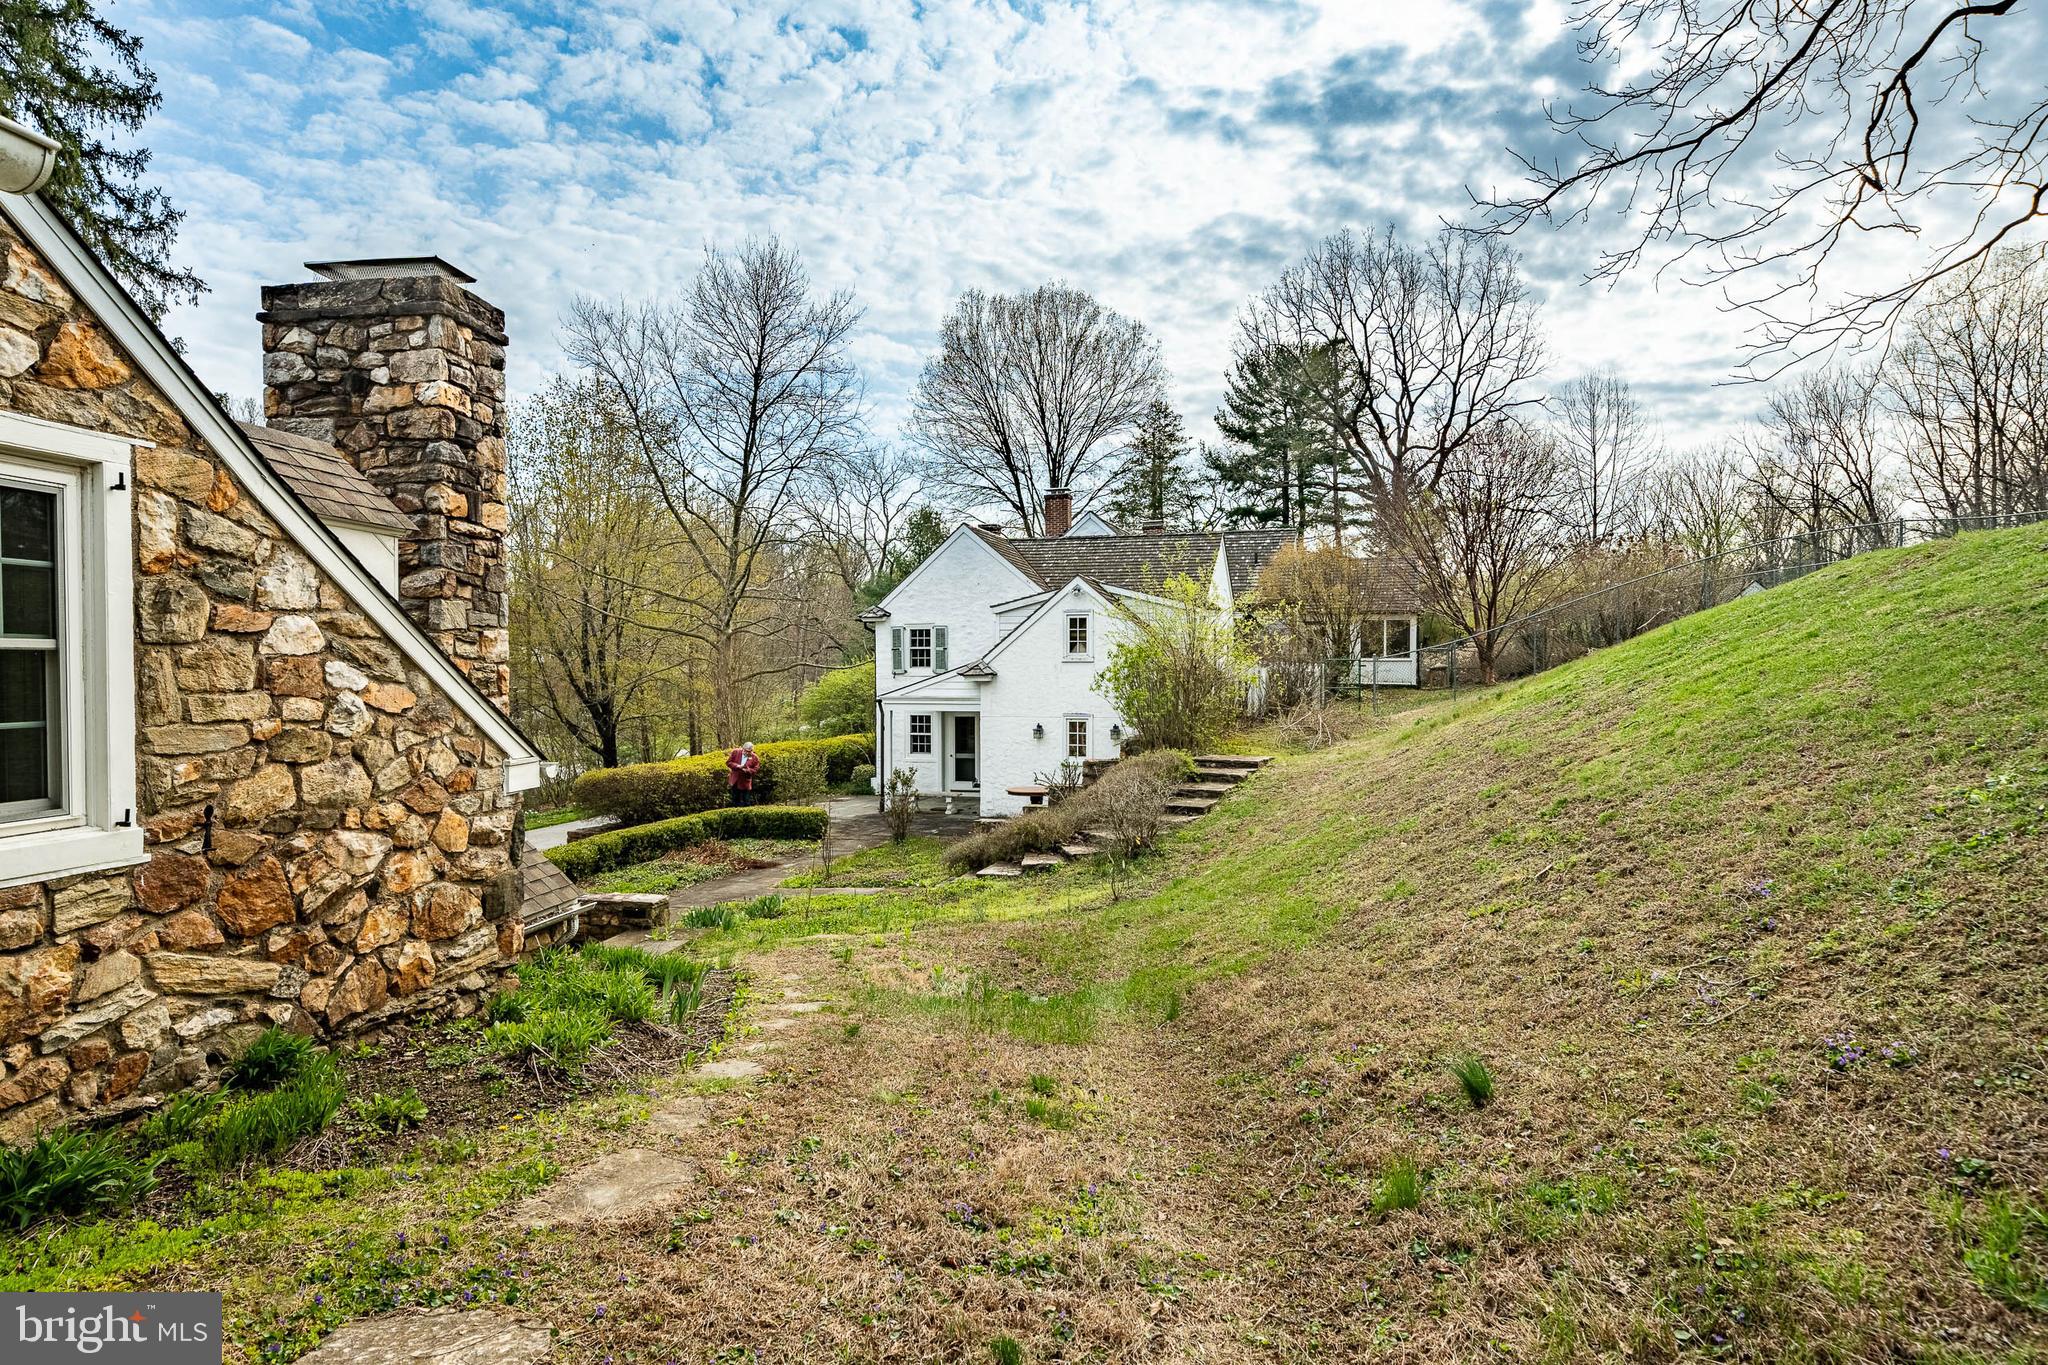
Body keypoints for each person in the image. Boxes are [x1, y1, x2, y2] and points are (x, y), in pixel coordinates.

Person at [726, 740, 760, 806]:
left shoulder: (755, 758)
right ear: (743, 749)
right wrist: (738, 766)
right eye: (746, 751)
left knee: (746, 801)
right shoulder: (736, 752)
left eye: (750, 751)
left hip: (745, 782)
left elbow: (755, 770)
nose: (748, 753)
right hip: (735, 780)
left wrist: (747, 770)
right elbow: (728, 763)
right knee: (735, 801)